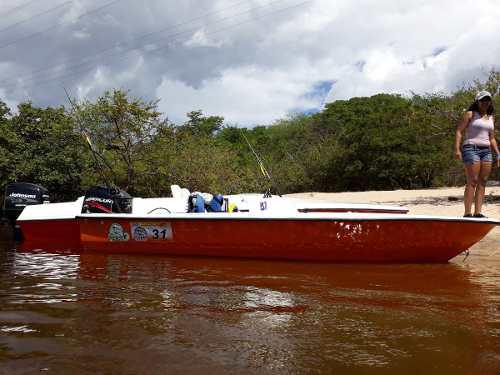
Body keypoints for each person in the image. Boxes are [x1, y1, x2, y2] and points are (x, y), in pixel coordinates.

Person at [455, 90, 500, 217]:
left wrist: (498, 154)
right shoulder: (470, 114)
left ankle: (478, 212)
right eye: (483, 100)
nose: (485, 102)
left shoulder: (491, 117)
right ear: (477, 101)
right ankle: (467, 213)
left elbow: (491, 138)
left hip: (486, 151)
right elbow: (459, 131)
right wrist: (457, 149)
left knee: (483, 181)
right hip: (471, 148)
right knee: (473, 180)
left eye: (488, 100)